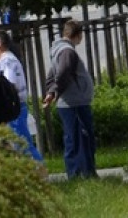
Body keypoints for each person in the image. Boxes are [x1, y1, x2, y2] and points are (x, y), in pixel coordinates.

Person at [43, 19, 97, 179]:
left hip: (73, 102)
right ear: (78, 35)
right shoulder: (67, 51)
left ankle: (82, 173)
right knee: (80, 139)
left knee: (75, 139)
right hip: (74, 103)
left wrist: (51, 92)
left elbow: (52, 75)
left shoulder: (59, 50)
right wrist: (56, 91)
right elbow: (62, 73)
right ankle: (81, 175)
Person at [0, 30, 44, 161]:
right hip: (15, 108)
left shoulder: (7, 61)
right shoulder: (6, 60)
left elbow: (9, 85)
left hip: (14, 109)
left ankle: (39, 173)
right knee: (20, 143)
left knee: (22, 144)